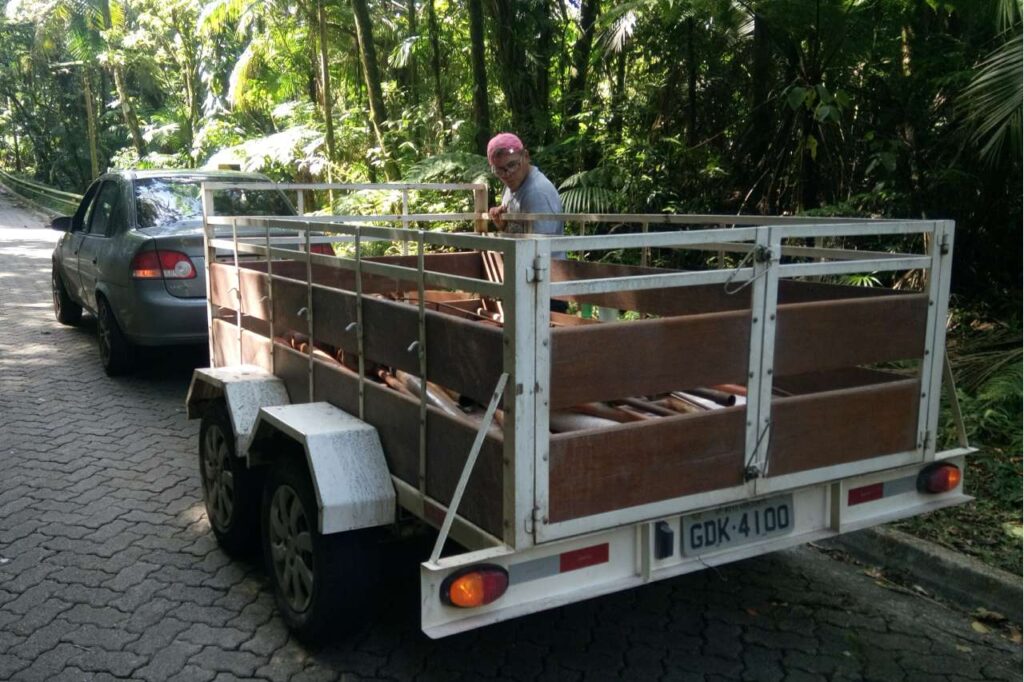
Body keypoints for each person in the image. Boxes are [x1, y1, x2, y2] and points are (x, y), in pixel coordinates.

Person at [485, 133, 564, 243]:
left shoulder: (537, 193)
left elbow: (541, 247)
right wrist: (503, 225)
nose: (507, 174)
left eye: (512, 165)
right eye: (499, 170)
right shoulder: (511, 186)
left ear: (526, 157)